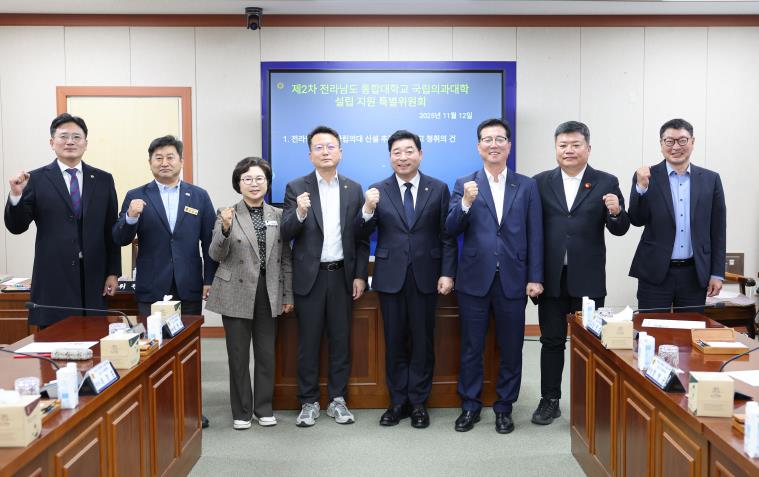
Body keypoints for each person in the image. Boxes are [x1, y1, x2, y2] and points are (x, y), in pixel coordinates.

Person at [446, 118, 543, 434]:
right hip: (474, 279)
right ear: (478, 147)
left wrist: (535, 276)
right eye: (487, 139)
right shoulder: (465, 183)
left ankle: (504, 407)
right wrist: (465, 202)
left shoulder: (526, 185)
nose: (493, 144)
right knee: (471, 347)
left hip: (513, 279)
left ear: (509, 146)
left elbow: (535, 234)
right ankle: (470, 405)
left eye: (499, 139)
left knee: (511, 348)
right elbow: (450, 228)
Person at [112, 135, 216, 429]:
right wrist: (130, 217)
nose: (164, 162)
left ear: (181, 161)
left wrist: (208, 279)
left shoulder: (198, 196)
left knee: (187, 350)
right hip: (152, 285)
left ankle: (190, 409)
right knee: (152, 349)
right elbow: (119, 238)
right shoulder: (136, 195)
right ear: (150, 163)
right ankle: (156, 409)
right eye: (158, 158)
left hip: (188, 285)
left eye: (170, 157)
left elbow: (209, 242)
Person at [532, 121, 630, 425]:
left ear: (588, 148)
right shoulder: (539, 182)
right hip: (550, 278)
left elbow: (620, 229)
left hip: (588, 279)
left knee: (590, 344)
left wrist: (616, 212)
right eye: (563, 145)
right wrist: (532, 275)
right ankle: (549, 400)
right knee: (551, 341)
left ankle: (589, 402)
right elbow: (530, 230)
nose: (569, 150)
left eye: (575, 145)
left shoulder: (606, 181)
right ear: (555, 148)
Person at [359, 130, 457, 428]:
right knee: (394, 341)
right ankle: (397, 402)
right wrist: (367, 209)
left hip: (427, 276)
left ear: (420, 154)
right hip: (390, 277)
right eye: (397, 152)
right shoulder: (377, 190)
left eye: (409, 151)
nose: (403, 157)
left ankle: (418, 403)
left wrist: (447, 272)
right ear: (390, 157)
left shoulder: (438, 188)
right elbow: (361, 234)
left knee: (423, 342)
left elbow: (447, 235)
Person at [281, 125, 369, 427]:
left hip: (342, 275)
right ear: (310, 155)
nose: (325, 152)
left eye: (331, 146)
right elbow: (286, 233)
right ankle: (308, 402)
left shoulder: (353, 188)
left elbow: (361, 237)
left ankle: (337, 400)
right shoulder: (296, 187)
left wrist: (360, 275)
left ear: (340, 152)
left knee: (340, 341)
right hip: (310, 278)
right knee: (308, 342)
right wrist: (300, 213)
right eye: (319, 147)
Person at [5, 113, 121, 327]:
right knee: (54, 342)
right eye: (64, 136)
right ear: (52, 142)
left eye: (76, 137)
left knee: (95, 339)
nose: (70, 142)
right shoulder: (35, 179)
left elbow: (110, 230)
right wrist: (16, 195)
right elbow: (16, 226)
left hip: (93, 280)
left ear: (86, 143)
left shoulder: (103, 179)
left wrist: (113, 272)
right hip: (54, 279)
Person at [205, 157, 293, 430]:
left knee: (266, 354)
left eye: (259, 179)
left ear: (267, 182)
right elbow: (215, 254)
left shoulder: (278, 215)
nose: (254, 184)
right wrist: (225, 228)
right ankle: (242, 412)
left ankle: (263, 408)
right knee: (238, 355)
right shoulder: (226, 213)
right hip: (236, 290)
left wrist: (288, 295)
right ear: (238, 183)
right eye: (247, 179)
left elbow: (286, 259)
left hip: (269, 290)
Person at [629, 118, 726, 312]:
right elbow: (636, 219)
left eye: (682, 140)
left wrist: (717, 273)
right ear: (661, 144)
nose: (675, 147)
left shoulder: (711, 179)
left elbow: (718, 230)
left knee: (691, 328)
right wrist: (641, 188)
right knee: (651, 327)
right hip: (655, 272)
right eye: (669, 141)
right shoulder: (646, 175)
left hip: (695, 273)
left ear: (692, 142)